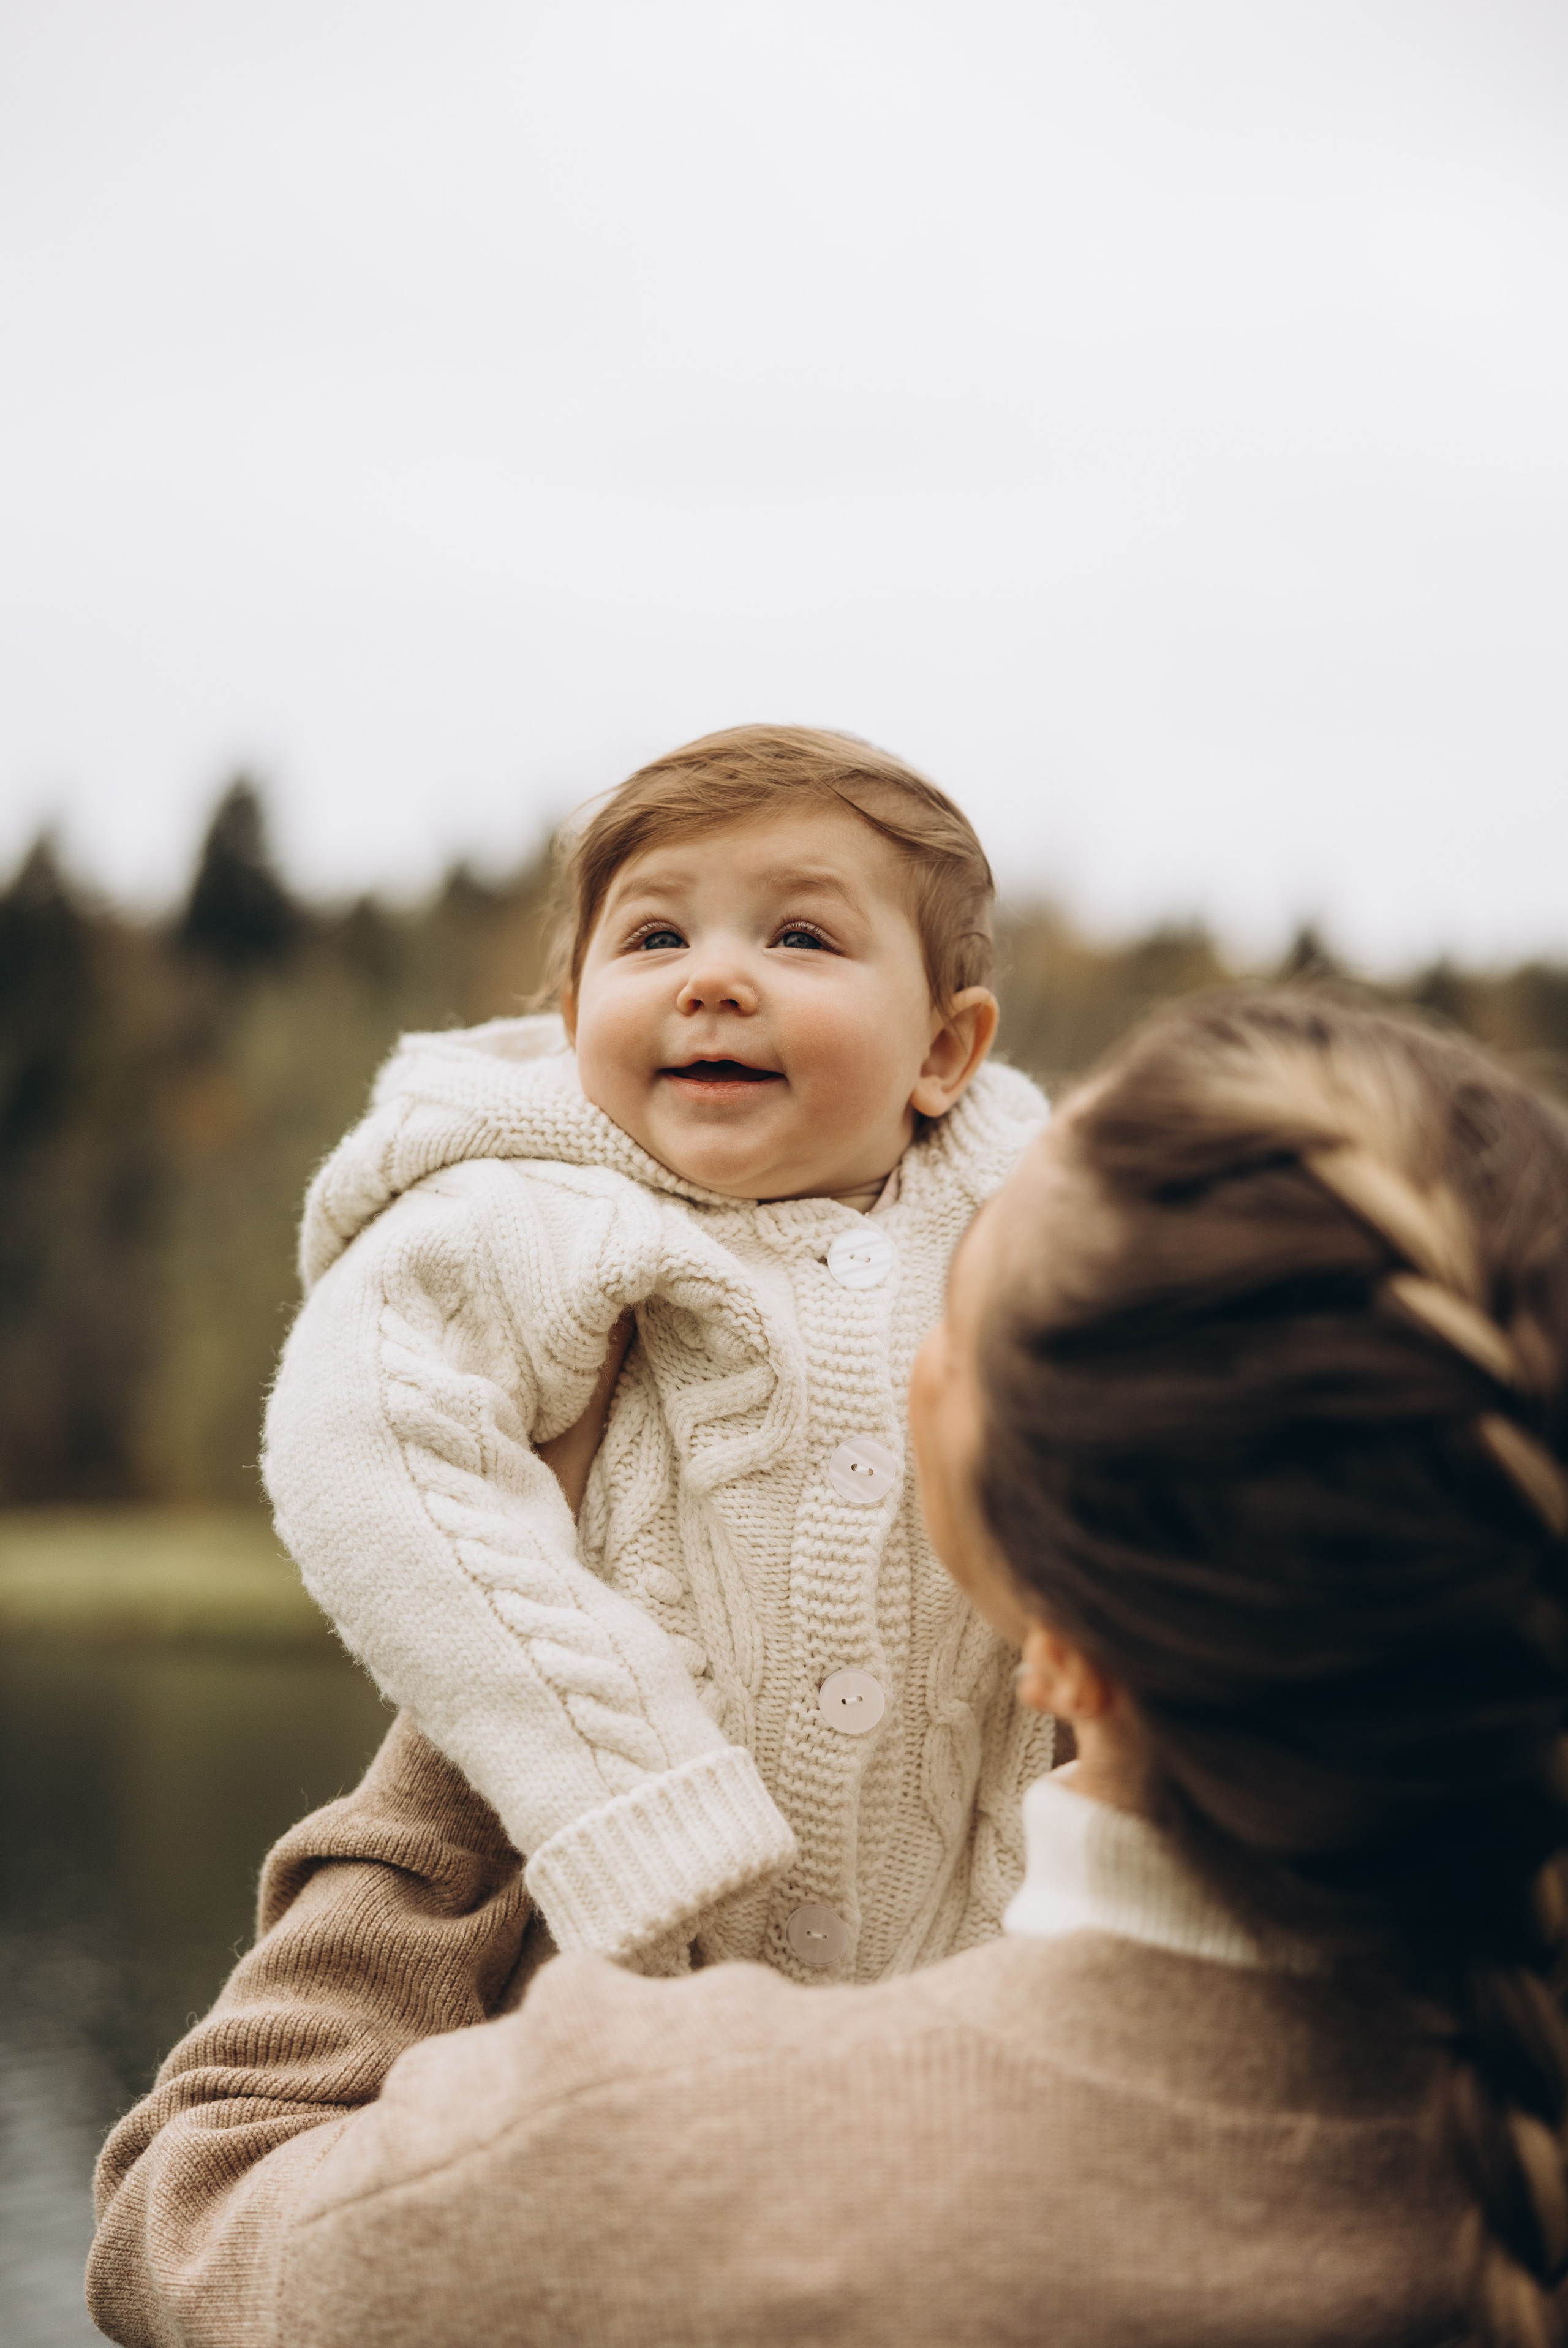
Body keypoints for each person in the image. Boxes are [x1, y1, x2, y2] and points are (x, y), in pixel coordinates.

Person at [91, 989, 1568, 2347]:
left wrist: (512, 1631)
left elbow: (198, 2208)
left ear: (1060, 1630)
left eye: (961, 1282)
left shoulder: (658, 2154)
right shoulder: (1501, 2158)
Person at [263, 724, 1054, 1984]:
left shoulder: (1035, 1226)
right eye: (654, 938)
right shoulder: (525, 1209)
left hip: (979, 1973)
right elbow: (359, 1439)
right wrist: (620, 1783)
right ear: (576, 1020)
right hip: (614, 1968)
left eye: (798, 938)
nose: (714, 980)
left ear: (942, 1053)